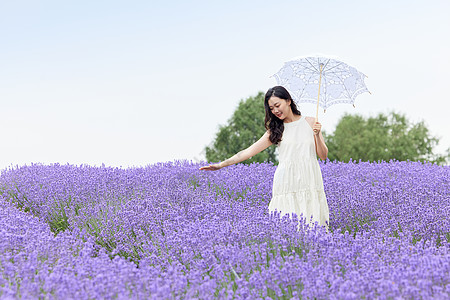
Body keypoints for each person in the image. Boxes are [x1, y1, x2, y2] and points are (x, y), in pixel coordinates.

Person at [200, 86, 329, 229]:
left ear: (288, 101)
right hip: (287, 182)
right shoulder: (275, 131)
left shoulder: (311, 122)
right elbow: (248, 152)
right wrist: (221, 165)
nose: (275, 111)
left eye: (277, 105)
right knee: (287, 228)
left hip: (310, 179)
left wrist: (317, 134)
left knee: (314, 225)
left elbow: (323, 156)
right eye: (271, 108)